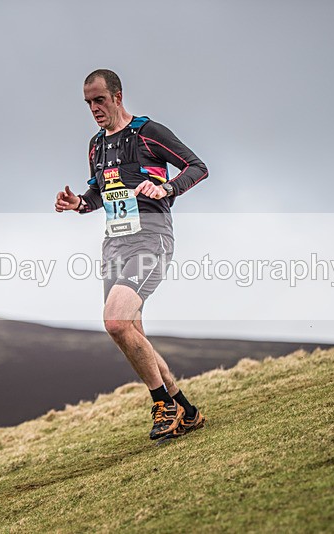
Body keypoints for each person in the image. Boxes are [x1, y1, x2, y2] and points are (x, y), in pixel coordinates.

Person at [55, 69, 209, 441]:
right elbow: (100, 192)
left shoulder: (148, 132)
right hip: (115, 244)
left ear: (117, 96)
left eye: (100, 100)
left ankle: (162, 404)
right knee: (133, 331)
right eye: (89, 103)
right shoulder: (96, 145)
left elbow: (198, 167)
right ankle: (186, 410)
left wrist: (166, 188)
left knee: (116, 322)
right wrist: (79, 203)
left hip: (150, 238)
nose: (94, 108)